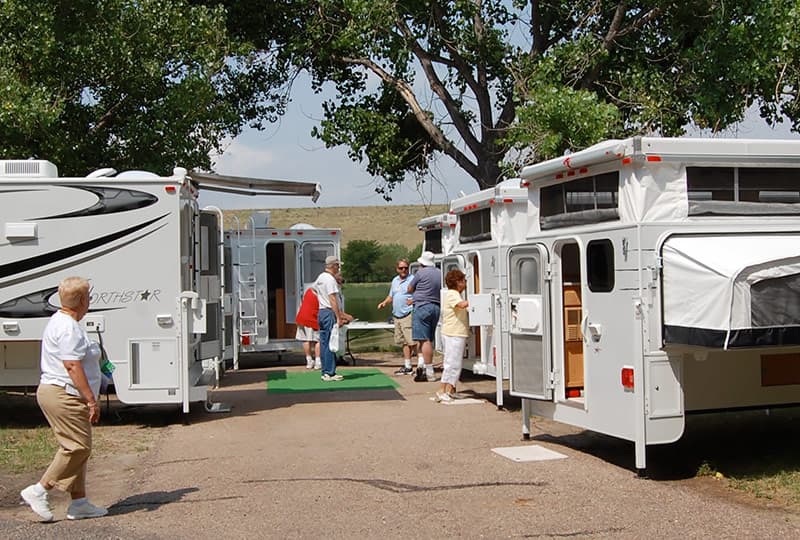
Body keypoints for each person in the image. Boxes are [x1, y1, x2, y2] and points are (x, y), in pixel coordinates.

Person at [20, 276, 108, 522]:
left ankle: (79, 502)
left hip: (61, 392)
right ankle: (39, 490)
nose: (89, 301)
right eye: (88, 297)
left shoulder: (64, 321)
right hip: (64, 394)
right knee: (76, 447)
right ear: (81, 300)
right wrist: (91, 400)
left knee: (79, 448)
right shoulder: (67, 327)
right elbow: (71, 365)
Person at [377, 258, 417, 375]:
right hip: (397, 315)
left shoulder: (412, 279)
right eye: (401, 268)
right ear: (397, 269)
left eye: (405, 268)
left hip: (408, 313)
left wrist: (414, 300)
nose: (403, 270)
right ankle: (408, 366)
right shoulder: (395, 280)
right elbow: (391, 296)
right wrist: (384, 303)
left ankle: (422, 365)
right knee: (403, 342)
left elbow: (420, 293)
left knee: (412, 342)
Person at [407, 250, 442, 382]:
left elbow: (410, 289)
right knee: (429, 339)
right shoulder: (439, 273)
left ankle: (429, 371)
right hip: (436, 306)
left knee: (423, 339)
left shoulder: (420, 273)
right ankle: (423, 365)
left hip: (422, 306)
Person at [437, 269, 470, 403]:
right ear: (457, 282)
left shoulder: (454, 294)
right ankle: (441, 390)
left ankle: (450, 390)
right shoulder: (452, 294)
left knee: (456, 363)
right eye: (463, 280)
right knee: (451, 363)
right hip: (453, 333)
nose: (465, 283)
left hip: (456, 332)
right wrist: (477, 300)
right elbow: (461, 305)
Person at [315, 256, 345, 381]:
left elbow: (314, 289)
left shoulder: (321, 277)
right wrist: (338, 316)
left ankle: (326, 371)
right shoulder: (330, 280)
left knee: (323, 342)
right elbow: (332, 298)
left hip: (321, 311)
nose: (338, 268)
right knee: (330, 342)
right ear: (333, 266)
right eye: (337, 265)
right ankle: (329, 372)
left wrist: (321, 300)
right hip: (328, 312)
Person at [295, 287, 321, 369]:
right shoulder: (320, 295)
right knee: (318, 340)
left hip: (301, 318)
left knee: (305, 339)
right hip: (311, 319)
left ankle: (309, 361)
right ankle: (318, 361)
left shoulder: (308, 291)